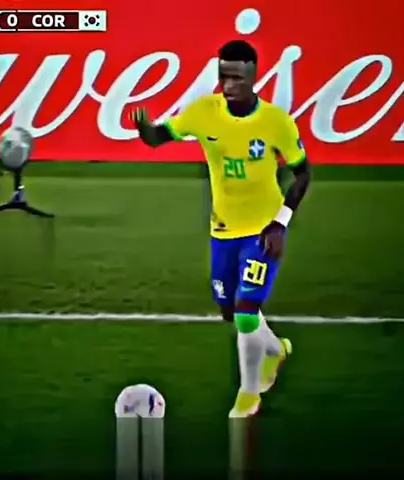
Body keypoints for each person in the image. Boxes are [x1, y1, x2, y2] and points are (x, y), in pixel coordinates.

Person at [132, 40, 311, 418]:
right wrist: (146, 131)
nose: (228, 85)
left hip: (263, 232)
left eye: (237, 78)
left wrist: (280, 224)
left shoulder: (276, 122)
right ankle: (275, 350)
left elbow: (303, 174)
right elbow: (161, 137)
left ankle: (249, 394)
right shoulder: (204, 113)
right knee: (230, 310)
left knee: (246, 310)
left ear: (253, 76)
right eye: (223, 76)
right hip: (223, 230)